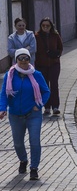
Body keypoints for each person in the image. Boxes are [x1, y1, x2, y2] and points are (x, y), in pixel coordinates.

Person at [0, 48, 50, 180]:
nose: (23, 61)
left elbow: (46, 91)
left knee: (34, 141)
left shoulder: (36, 74)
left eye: (26, 58)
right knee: (18, 143)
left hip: (33, 114)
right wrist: (2, 108)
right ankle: (23, 160)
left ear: (29, 59)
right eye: (20, 58)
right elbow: (4, 93)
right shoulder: (9, 75)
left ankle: (34, 168)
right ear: (16, 60)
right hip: (15, 114)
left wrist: (38, 105)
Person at [34, 18, 63, 117]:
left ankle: (55, 107)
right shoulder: (36, 36)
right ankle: (46, 107)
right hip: (41, 65)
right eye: (43, 26)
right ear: (40, 26)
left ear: (51, 26)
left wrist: (57, 54)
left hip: (54, 64)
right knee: (44, 86)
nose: (45, 27)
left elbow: (60, 47)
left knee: (54, 85)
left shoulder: (55, 35)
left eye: (47, 26)